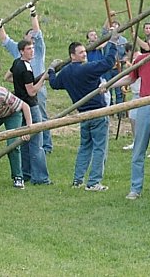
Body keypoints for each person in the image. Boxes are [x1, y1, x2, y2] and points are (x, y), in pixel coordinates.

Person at [48, 38, 118, 191]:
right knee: (100, 148)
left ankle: (77, 180)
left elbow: (54, 83)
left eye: (85, 52)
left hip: (83, 115)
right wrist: (112, 43)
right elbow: (108, 63)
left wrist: (52, 70)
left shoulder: (65, 73)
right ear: (72, 55)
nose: (84, 54)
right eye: (80, 53)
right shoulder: (86, 69)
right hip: (98, 113)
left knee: (85, 148)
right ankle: (93, 183)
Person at [113, 30, 150, 201]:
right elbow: (130, 79)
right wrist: (109, 85)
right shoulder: (140, 60)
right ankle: (135, 188)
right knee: (138, 148)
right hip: (144, 104)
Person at [0, 3, 52, 154]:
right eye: (30, 37)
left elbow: (37, 31)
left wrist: (33, 13)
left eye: (34, 39)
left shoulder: (38, 49)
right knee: (26, 119)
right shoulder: (18, 49)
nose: (32, 40)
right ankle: (27, 145)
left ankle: (46, 146)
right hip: (23, 91)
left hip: (37, 88)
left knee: (41, 117)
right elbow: (4, 39)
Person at [5, 38, 51, 185]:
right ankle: (40, 178)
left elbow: (7, 77)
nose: (32, 51)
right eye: (28, 49)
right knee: (37, 142)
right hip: (31, 106)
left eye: (32, 48)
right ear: (21, 51)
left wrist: (20, 85)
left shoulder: (16, 63)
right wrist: (43, 78)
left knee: (24, 141)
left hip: (19, 106)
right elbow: (32, 92)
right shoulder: (27, 68)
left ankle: (26, 173)